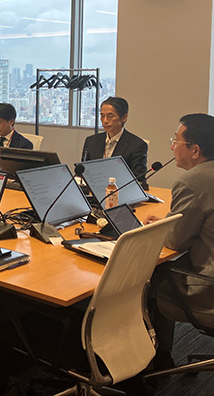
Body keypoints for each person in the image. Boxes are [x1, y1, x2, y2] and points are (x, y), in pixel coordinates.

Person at [148, 114, 214, 365]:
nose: (172, 146)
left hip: (207, 288)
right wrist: (169, 221)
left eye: (176, 141)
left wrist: (160, 227)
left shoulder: (192, 181)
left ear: (195, 150)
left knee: (147, 281)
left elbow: (176, 241)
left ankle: (155, 359)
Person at [81, 96, 149, 189]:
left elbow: (138, 179)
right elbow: (83, 172)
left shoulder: (137, 145)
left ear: (124, 117)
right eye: (102, 116)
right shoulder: (91, 141)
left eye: (110, 116)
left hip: (121, 192)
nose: (105, 121)